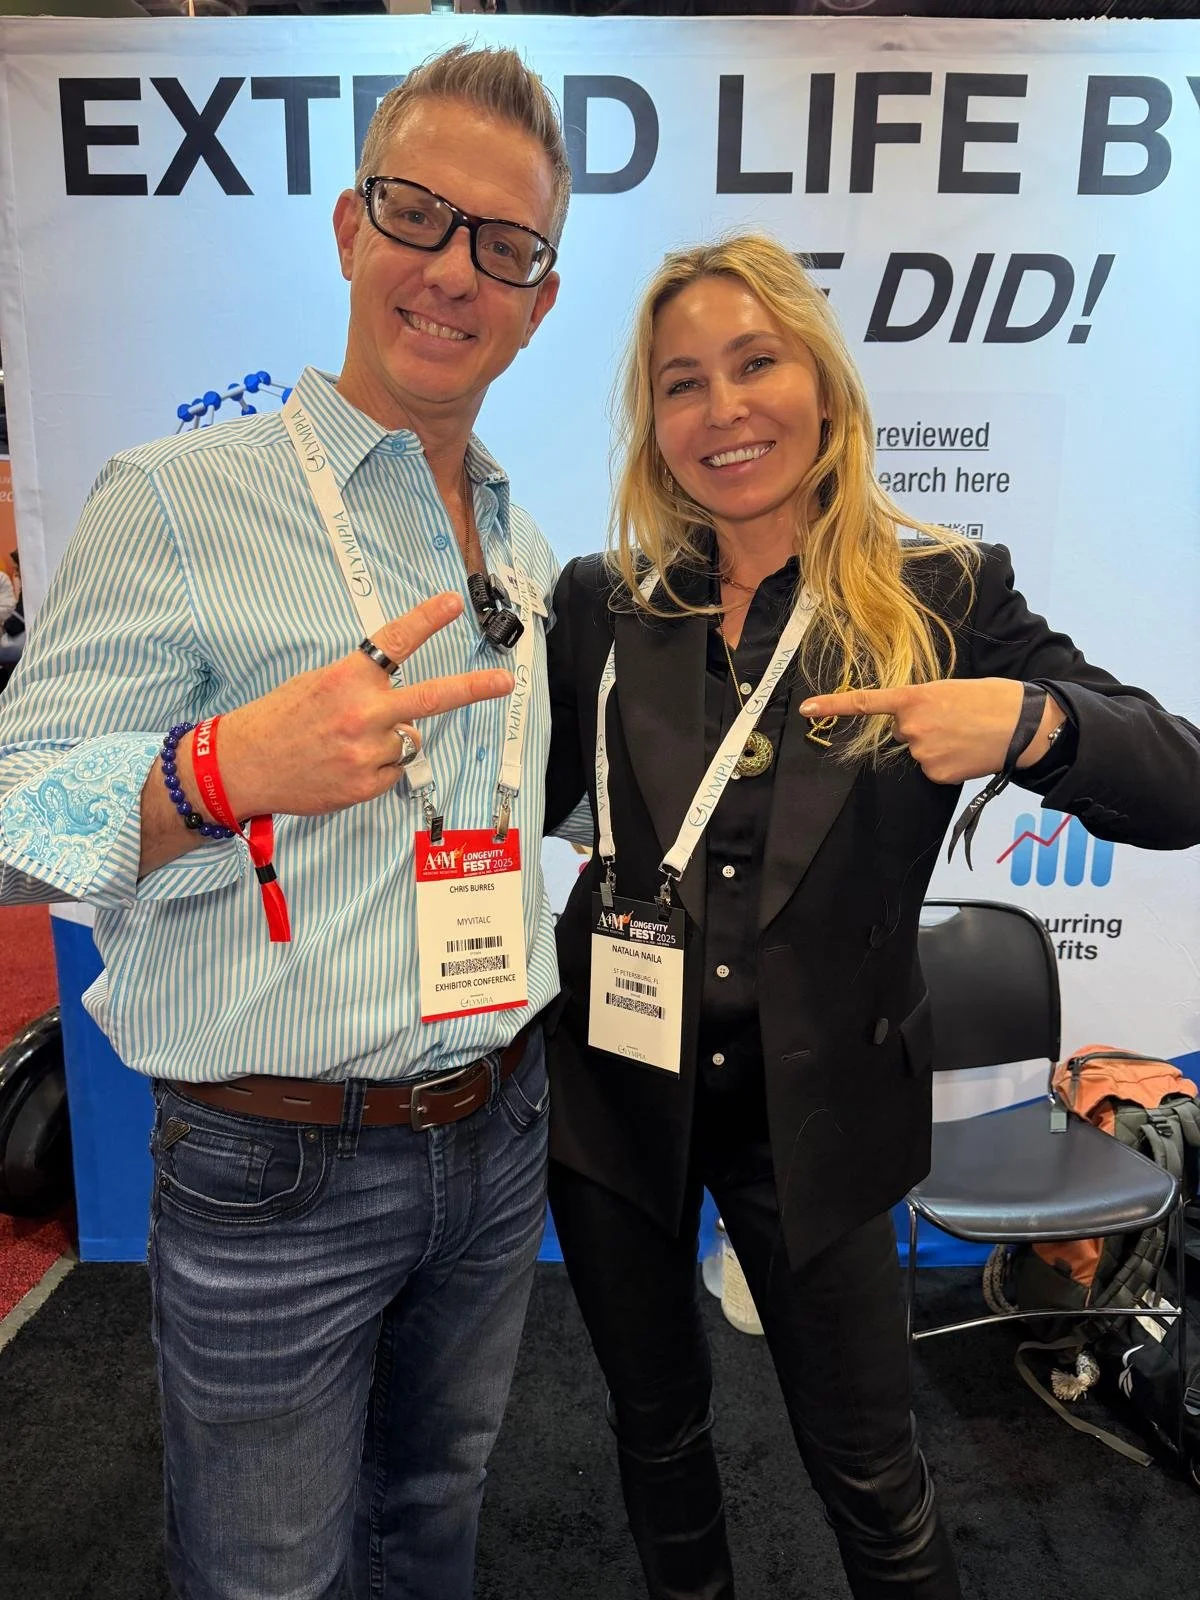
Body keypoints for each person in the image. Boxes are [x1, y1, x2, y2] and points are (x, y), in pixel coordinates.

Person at [542, 233, 1200, 1600]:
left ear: (825, 389)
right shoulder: (604, 606)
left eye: (754, 362)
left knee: (875, 1481)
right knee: (653, 1441)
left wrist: (1031, 720)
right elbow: (514, 798)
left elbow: (1178, 782)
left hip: (825, 1119)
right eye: (681, 383)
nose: (722, 408)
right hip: (616, 1103)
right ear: (653, 427)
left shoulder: (943, 595)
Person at [0, 45, 569, 1600]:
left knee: (431, 1522)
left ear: (539, 298)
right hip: (275, 1163)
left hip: (498, 1121)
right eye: (418, 214)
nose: (454, 270)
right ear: (346, 225)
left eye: (503, 246)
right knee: (263, 1576)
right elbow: (9, 823)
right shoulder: (178, 500)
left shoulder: (523, 527)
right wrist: (223, 770)